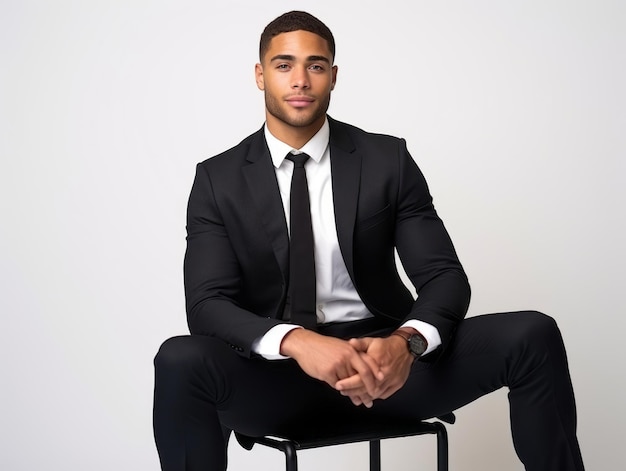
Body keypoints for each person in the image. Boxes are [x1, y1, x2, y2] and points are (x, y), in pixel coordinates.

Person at [153, 10, 585, 471]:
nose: (300, 79)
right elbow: (206, 304)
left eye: (315, 66)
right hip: (277, 382)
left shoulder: (387, 160)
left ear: (333, 76)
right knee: (180, 359)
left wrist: (405, 343)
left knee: (532, 333)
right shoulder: (217, 179)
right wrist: (298, 341)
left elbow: (444, 278)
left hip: (386, 371)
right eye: (284, 65)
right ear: (260, 76)